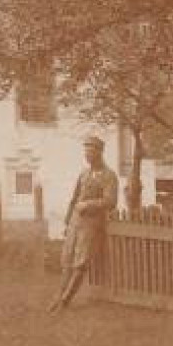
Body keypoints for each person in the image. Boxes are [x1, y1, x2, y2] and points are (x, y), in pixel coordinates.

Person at [48, 134, 119, 314]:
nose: (87, 155)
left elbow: (111, 201)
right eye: (86, 151)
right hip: (75, 222)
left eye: (91, 151)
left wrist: (89, 204)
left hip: (91, 224)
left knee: (80, 264)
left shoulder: (109, 176)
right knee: (66, 261)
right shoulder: (84, 173)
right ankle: (57, 296)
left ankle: (64, 302)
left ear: (100, 152)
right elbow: (74, 198)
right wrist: (67, 222)